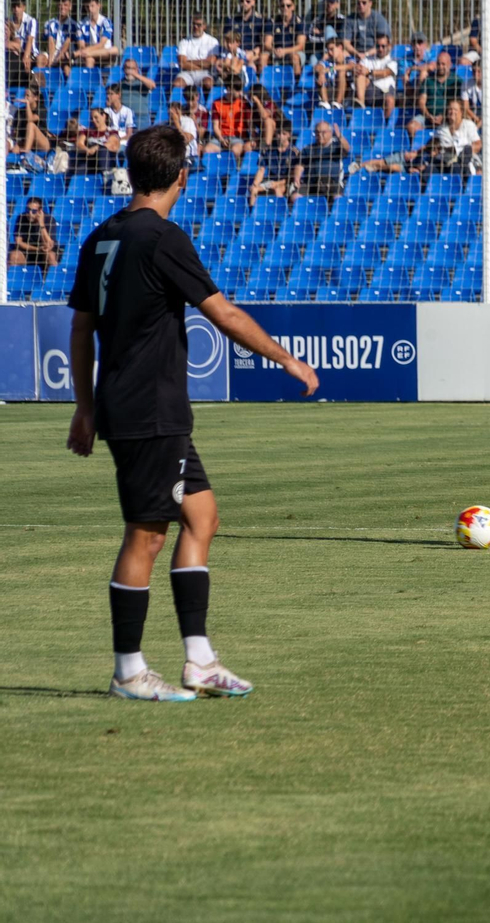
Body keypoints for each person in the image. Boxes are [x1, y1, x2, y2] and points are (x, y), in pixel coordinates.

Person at [66, 124, 318, 702]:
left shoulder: (102, 236)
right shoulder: (163, 238)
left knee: (202, 517)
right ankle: (129, 672)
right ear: (182, 176)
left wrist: (85, 406)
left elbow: (81, 327)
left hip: (140, 407)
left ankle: (199, 661)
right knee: (146, 535)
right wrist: (288, 359)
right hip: (149, 409)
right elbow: (222, 314)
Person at [290, 120, 350, 201]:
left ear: (330, 133)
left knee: (338, 199)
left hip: (332, 184)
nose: (320, 135)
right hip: (311, 184)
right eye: (317, 132)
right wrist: (297, 177)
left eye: (323, 132)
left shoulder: (337, 147)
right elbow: (300, 165)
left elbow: (347, 148)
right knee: (295, 197)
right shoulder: (308, 149)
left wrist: (339, 136)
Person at [408, 50, 461, 139]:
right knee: (412, 126)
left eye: (443, 64)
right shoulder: (428, 80)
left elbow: (459, 104)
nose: (440, 67)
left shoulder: (456, 81)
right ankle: (423, 145)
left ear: (450, 65)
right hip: (427, 117)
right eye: (438, 64)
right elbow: (421, 102)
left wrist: (444, 117)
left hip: (448, 118)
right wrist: (428, 116)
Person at [433, 98, 482, 176]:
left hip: (463, 163)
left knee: (455, 166)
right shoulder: (441, 129)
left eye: (455, 110)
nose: (452, 112)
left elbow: (478, 144)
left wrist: (461, 152)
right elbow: (434, 146)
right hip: (443, 161)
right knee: (430, 169)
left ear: (461, 112)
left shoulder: (469, 125)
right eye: (450, 109)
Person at [353, 34, 399, 114]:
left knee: (390, 100)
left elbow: (386, 72)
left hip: (387, 90)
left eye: (383, 46)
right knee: (360, 76)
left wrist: (369, 72)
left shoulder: (392, 60)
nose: (380, 49)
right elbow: (358, 69)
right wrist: (357, 70)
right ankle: (361, 107)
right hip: (370, 91)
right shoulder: (367, 60)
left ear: (389, 46)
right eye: (378, 46)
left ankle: (386, 121)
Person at [10, 197, 61, 268]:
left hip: (45, 251)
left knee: (50, 256)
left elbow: (49, 244)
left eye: (33, 211)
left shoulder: (49, 219)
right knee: (14, 256)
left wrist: (41, 224)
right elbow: (18, 242)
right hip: (28, 250)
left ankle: (51, 275)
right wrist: (37, 249)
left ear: (40, 211)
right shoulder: (21, 218)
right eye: (28, 210)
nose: (30, 214)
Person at [223, 0, 269, 71]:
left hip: (254, 54)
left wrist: (253, 52)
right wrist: (234, 51)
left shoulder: (260, 20)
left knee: (252, 65)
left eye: (248, 1)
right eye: (242, 1)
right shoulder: (231, 20)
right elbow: (225, 41)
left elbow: (265, 44)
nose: (244, 3)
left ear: (253, 2)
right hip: (234, 53)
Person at [249, 128, 296, 205]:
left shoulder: (294, 152)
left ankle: (282, 210)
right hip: (271, 181)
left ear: (289, 135)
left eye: (284, 134)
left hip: (287, 183)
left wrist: (277, 183)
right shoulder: (268, 149)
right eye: (279, 133)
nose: (280, 136)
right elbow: (261, 170)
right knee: (254, 189)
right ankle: (252, 211)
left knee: (277, 190)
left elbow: (292, 177)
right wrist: (255, 184)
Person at [175, 15, 220, 91]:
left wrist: (188, 62)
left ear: (204, 26)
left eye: (198, 25)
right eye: (193, 24)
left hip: (205, 73)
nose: (195, 27)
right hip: (187, 73)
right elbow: (182, 64)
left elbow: (210, 63)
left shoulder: (212, 41)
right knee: (177, 84)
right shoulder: (184, 42)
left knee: (208, 83)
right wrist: (203, 64)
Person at [266, 0, 307, 75]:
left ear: (293, 7)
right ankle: (263, 81)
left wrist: (284, 51)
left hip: (293, 51)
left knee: (295, 57)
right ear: (279, 7)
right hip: (276, 52)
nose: (285, 8)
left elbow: (300, 46)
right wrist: (275, 50)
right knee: (263, 57)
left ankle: (297, 81)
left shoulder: (299, 22)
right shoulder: (272, 21)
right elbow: (267, 44)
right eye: (282, 6)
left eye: (288, 6)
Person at [73, 0, 118, 68]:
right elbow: (81, 46)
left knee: (114, 50)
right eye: (87, 7)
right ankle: (90, 75)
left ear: (99, 6)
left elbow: (101, 44)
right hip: (88, 53)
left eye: (92, 6)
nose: (90, 9)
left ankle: (81, 54)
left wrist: (84, 52)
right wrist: (85, 51)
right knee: (89, 59)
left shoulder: (105, 22)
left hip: (104, 53)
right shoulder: (81, 24)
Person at [7, 0, 38, 89]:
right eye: (14, 6)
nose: (16, 9)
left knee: (25, 64)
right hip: (15, 53)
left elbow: (29, 40)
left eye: (18, 6)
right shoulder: (8, 21)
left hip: (31, 54)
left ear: (24, 7)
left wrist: (26, 56)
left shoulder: (31, 21)